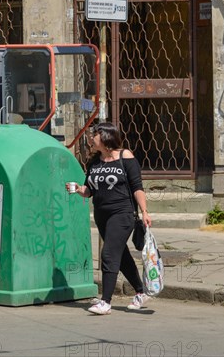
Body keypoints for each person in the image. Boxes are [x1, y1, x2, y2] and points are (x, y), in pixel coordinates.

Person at [66, 122, 152, 315]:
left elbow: (137, 186)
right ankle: (141, 291)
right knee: (121, 257)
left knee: (108, 254)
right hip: (102, 215)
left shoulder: (125, 156)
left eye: (94, 134)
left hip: (122, 214)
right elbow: (90, 190)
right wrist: (79, 190)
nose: (91, 138)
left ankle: (105, 302)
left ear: (105, 137)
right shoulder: (94, 161)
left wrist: (145, 211)